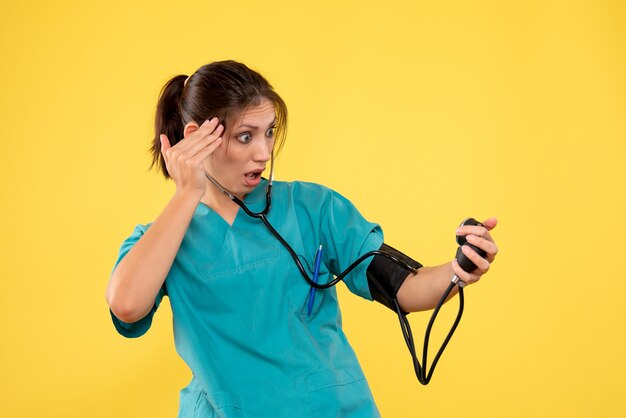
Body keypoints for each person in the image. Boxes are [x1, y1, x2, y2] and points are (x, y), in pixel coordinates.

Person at [105, 60, 498, 417]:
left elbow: (405, 287)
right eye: (246, 136)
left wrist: (458, 269)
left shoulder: (312, 207)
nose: (263, 152)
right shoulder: (163, 238)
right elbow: (126, 306)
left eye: (269, 133)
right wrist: (186, 193)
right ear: (196, 137)